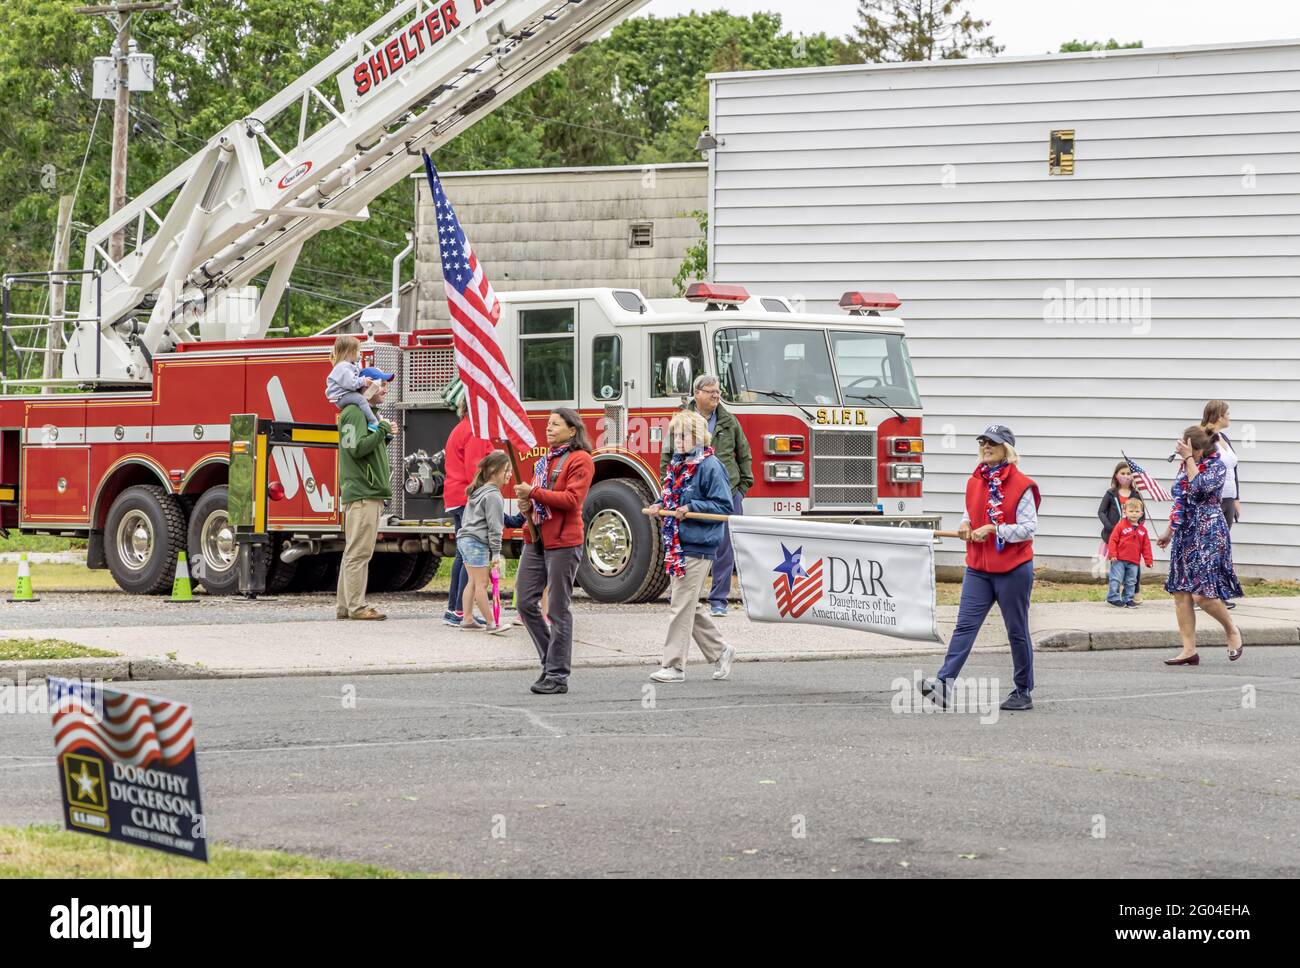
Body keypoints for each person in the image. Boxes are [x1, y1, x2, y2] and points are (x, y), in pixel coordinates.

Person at [921, 425, 1040, 712]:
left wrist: (995, 529)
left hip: (1013, 568)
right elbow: (969, 513)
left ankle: (1023, 690)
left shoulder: (1022, 484)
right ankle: (943, 683)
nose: (986, 447)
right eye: (984, 442)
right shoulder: (975, 481)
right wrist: (965, 525)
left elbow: (1028, 528)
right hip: (979, 567)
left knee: (1016, 630)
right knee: (964, 626)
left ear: (1007, 450)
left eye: (993, 443)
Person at [646, 410, 737, 683]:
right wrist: (661, 507)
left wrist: (692, 507)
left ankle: (674, 665)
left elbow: (723, 506)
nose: (678, 440)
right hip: (679, 542)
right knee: (687, 604)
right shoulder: (678, 465)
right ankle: (721, 651)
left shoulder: (710, 466)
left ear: (698, 437)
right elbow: (674, 498)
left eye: (683, 435)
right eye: (675, 435)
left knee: (680, 605)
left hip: (699, 544)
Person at [658, 375, 753, 617]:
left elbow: (744, 454)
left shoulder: (729, 421)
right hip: (688, 490)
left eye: (718, 391)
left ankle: (719, 599)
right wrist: (668, 488)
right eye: (710, 391)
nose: (716, 395)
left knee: (725, 547)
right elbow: (667, 457)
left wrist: (742, 487)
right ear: (697, 393)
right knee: (680, 541)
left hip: (727, 490)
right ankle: (682, 594)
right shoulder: (681, 421)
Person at [514, 408, 594, 695]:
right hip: (535, 539)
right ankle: (551, 661)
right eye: (547, 424)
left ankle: (557, 675)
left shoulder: (580, 460)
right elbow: (539, 499)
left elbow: (572, 500)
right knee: (524, 603)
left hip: (563, 542)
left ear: (572, 430)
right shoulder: (543, 461)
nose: (548, 428)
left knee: (558, 610)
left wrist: (533, 494)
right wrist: (527, 506)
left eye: (555, 424)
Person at [1156, 425, 1244, 666]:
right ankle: (1188, 650)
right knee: (1181, 593)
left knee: (1202, 595)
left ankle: (1231, 630)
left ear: (1198, 449)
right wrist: (1168, 532)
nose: (1184, 455)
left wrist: (1188, 460)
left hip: (1209, 532)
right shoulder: (1186, 464)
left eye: (1188, 450)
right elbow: (1180, 500)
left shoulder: (1218, 465)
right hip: (1186, 533)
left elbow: (1200, 489)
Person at [336, 380, 392, 621]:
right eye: (380, 385)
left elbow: (365, 451)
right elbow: (356, 449)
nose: (385, 390)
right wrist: (382, 430)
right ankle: (357, 607)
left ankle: (345, 606)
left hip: (363, 492)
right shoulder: (356, 413)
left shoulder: (361, 414)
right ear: (365, 388)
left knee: (354, 551)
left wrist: (383, 436)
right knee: (359, 553)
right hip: (363, 493)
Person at [441, 398, 497, 627]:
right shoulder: (475, 431)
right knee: (470, 558)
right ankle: (460, 611)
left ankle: (454, 610)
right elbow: (475, 471)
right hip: (467, 500)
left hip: (457, 497)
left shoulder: (465, 428)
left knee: (462, 555)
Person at [1201, 400, 1241, 609]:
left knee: (1222, 546)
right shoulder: (1205, 437)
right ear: (1218, 416)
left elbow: (1233, 469)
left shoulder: (1224, 437)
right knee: (1211, 545)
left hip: (1228, 498)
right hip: (1212, 499)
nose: (1229, 417)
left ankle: (1219, 590)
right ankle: (1205, 591)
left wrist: (1236, 498)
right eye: (1227, 414)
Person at [1097, 460, 1147, 601]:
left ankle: (1134, 592)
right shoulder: (1111, 493)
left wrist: (1138, 528)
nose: (1125, 476)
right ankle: (1114, 593)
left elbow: (1142, 516)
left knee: (1134, 564)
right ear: (1116, 475)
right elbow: (1101, 512)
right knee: (1117, 564)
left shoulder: (1136, 494)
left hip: (1132, 538)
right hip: (1115, 536)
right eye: (1122, 473)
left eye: (1128, 473)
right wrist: (1111, 528)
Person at [325, 335, 389, 431]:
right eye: (359, 351)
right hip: (341, 397)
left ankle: (380, 420)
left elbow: (358, 372)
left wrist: (359, 361)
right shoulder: (342, 367)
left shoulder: (350, 365)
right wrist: (364, 381)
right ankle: (373, 422)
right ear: (350, 352)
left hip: (346, 394)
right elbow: (351, 384)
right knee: (361, 400)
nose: (361, 354)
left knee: (366, 401)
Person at [1106, 497, 1153, 607]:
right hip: (1119, 559)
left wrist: (1148, 560)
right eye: (1131, 511)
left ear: (1141, 513)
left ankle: (1128, 598)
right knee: (1116, 579)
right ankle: (1113, 597)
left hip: (1134, 561)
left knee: (1131, 581)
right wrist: (1112, 554)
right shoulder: (1121, 526)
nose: (1134, 514)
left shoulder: (1143, 531)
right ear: (1125, 511)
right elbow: (1112, 540)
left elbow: (1146, 547)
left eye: (1137, 511)